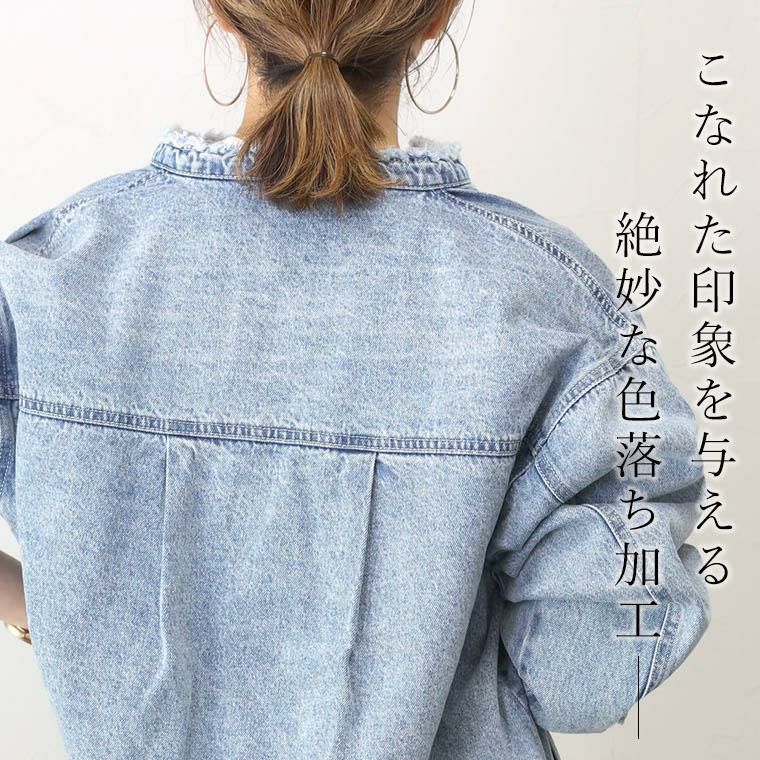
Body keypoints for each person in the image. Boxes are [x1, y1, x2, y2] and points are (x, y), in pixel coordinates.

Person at [0, 1, 711, 758]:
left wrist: (66, 615)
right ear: (434, 19)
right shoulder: (543, 304)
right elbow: (588, 674)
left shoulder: (58, 274)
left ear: (224, 16)